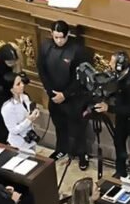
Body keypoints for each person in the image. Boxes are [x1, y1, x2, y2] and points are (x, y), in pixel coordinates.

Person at [37, 20, 92, 169]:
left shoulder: (77, 50)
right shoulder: (45, 47)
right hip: (54, 96)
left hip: (73, 98)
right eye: (56, 37)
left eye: (62, 37)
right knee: (59, 125)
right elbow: (42, 70)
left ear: (67, 35)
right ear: (51, 34)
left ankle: (82, 154)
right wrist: (50, 92)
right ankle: (61, 149)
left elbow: (81, 77)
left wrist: (65, 94)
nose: (59, 40)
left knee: (78, 128)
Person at [93, 51, 130, 180]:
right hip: (121, 113)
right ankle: (120, 170)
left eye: (112, 62)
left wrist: (109, 108)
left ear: (120, 65)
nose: (109, 64)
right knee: (118, 141)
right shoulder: (120, 73)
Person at [1, 72, 41, 152]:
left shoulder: (25, 97)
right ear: (11, 89)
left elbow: (29, 109)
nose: (22, 85)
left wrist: (36, 110)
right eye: (18, 84)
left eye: (22, 82)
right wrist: (29, 120)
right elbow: (13, 130)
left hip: (30, 138)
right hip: (18, 144)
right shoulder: (7, 108)